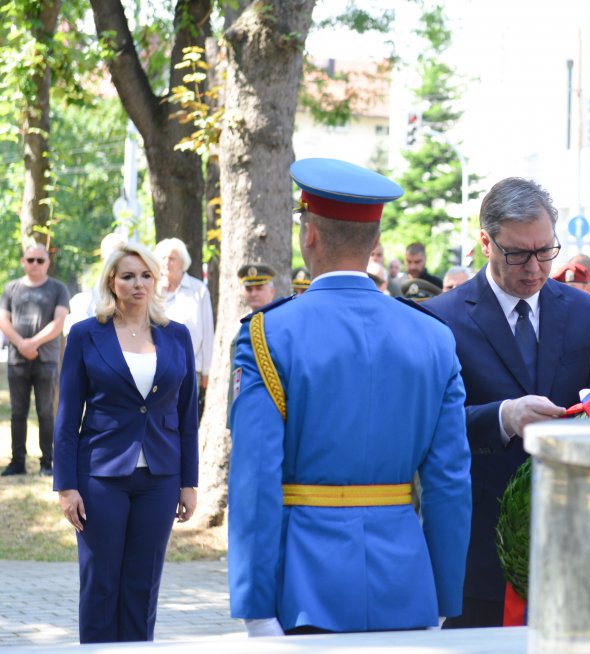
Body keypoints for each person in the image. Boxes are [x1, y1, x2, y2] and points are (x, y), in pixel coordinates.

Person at [228, 158, 471, 635]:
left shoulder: (267, 334)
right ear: (375, 240)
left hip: (303, 586)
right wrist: (442, 594)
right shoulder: (433, 338)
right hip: (405, 582)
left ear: (309, 235)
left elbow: (255, 478)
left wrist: (255, 607)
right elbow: (449, 483)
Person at [424, 177, 590, 628]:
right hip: (478, 546)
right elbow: (428, 426)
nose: (534, 267)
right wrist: (502, 418)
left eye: (545, 251)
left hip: (571, 536)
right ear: (485, 242)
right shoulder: (440, 318)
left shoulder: (587, 313)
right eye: (517, 254)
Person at [53, 241, 199, 643]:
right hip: (100, 476)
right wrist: (66, 486)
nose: (138, 284)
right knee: (100, 583)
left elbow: (187, 416)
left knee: (143, 584)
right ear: (111, 282)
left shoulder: (177, 336)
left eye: (146, 275)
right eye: (129, 276)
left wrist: (189, 482)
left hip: (160, 478)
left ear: (156, 280)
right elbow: (67, 417)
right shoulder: (86, 335)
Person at [0, 243, 70, 476]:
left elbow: (59, 322)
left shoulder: (58, 288)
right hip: (17, 360)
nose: (35, 264)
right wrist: (21, 344)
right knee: (18, 413)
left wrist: (33, 344)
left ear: (48, 262)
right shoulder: (11, 288)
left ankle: (47, 462)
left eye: (40, 260)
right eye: (30, 260)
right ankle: (17, 462)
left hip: (46, 360)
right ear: (23, 262)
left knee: (46, 412)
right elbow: (3, 320)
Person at [154, 238, 214, 418]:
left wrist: (206, 372)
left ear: (182, 262)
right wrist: (160, 292)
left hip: (190, 369)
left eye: (171, 258)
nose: (166, 262)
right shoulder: (153, 292)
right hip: (157, 369)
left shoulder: (198, 290)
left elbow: (207, 333)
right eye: (163, 258)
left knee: (186, 420)